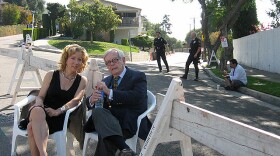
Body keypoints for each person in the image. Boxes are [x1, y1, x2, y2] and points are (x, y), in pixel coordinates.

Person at [84, 48, 150, 156]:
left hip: (127, 122)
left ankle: (125, 149)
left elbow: (137, 97)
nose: (111, 65)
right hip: (108, 121)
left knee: (106, 136)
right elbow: (89, 102)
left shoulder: (138, 76)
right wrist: (92, 99)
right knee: (98, 111)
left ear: (123, 60)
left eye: (114, 60)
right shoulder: (106, 80)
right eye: (108, 63)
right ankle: (125, 149)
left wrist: (109, 92)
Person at [27, 44, 89, 156]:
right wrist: (39, 104)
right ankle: (43, 153)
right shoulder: (51, 75)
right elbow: (40, 96)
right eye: (73, 58)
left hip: (61, 117)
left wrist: (59, 111)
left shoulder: (82, 80)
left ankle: (41, 153)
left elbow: (76, 100)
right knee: (37, 110)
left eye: (79, 59)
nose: (76, 62)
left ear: (83, 62)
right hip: (42, 112)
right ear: (66, 59)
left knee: (31, 127)